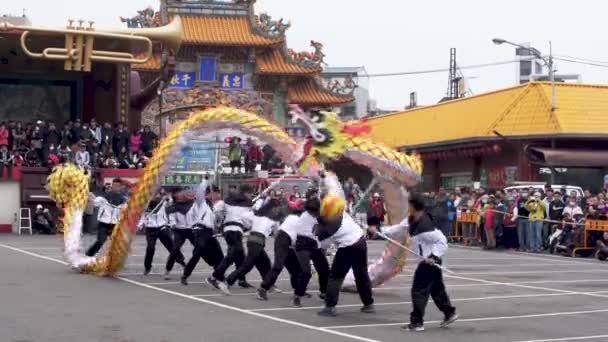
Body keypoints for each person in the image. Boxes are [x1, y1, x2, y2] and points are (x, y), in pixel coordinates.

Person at [316, 174, 374, 317]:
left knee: (336, 276)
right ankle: (368, 303)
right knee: (361, 274)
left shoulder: (326, 230)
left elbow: (323, 249)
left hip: (349, 246)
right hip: (360, 240)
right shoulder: (339, 210)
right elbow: (335, 189)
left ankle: (330, 306)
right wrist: (324, 178)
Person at [404, 193, 458, 332]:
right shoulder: (413, 219)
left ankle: (417, 322)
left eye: (409, 204)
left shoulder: (425, 224)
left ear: (414, 205)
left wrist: (433, 256)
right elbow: (400, 227)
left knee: (418, 290)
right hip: (428, 261)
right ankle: (449, 313)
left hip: (429, 262)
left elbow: (442, 241)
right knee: (436, 289)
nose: (407, 206)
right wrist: (379, 230)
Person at [208, 184, 255, 290]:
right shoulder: (247, 205)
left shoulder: (229, 200)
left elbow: (217, 210)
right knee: (232, 255)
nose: (251, 196)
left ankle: (241, 280)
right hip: (234, 230)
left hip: (231, 230)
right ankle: (215, 276)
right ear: (247, 193)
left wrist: (220, 221)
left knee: (240, 255)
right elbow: (247, 222)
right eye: (250, 194)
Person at [257, 199, 304, 301]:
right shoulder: (299, 220)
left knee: (296, 268)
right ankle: (263, 288)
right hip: (283, 241)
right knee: (278, 266)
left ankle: (298, 291)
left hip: (285, 241)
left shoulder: (292, 217)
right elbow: (300, 240)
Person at [181, 184, 226, 286]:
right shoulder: (201, 203)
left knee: (219, 255)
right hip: (200, 231)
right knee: (197, 253)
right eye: (216, 193)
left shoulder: (213, 206)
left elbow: (216, 223)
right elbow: (200, 192)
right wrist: (205, 181)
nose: (218, 196)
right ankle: (185, 275)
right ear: (210, 193)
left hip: (209, 233)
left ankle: (219, 276)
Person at [293, 192, 330, 307]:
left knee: (324, 269)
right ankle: (297, 296)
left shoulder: (313, 215)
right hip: (302, 244)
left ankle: (324, 292)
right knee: (306, 272)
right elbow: (323, 223)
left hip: (313, 244)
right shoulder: (307, 216)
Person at [138, 189, 184, 275]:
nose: (155, 196)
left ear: (160, 194)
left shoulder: (163, 202)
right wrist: (140, 225)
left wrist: (168, 196)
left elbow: (172, 201)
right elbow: (143, 216)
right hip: (150, 229)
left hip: (162, 228)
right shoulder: (145, 204)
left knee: (171, 246)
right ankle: (147, 268)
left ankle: (181, 261)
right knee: (150, 249)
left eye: (156, 194)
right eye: (152, 194)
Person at [86, 178, 128, 256]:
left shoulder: (123, 200)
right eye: (114, 185)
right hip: (104, 223)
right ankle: (89, 254)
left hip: (115, 224)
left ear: (121, 187)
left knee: (117, 243)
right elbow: (95, 202)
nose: (116, 187)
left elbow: (125, 212)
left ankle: (112, 260)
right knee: (101, 241)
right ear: (112, 186)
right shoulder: (104, 198)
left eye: (118, 186)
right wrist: (88, 196)